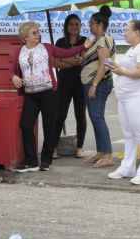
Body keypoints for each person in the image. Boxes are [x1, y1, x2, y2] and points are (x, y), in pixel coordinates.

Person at [11, 21, 89, 172]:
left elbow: (64, 53)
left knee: (50, 126)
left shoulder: (46, 47)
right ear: (25, 36)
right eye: (34, 33)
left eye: (38, 32)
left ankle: (46, 160)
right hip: (30, 94)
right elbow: (13, 70)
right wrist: (14, 77)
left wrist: (83, 46)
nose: (38, 35)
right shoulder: (19, 52)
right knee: (26, 126)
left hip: (48, 93)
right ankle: (31, 161)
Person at [106, 20, 140, 185]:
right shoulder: (132, 49)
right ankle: (128, 168)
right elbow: (127, 69)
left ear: (136, 33)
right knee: (129, 135)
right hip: (125, 98)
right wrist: (116, 66)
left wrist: (122, 71)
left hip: (137, 97)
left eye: (127, 30)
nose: (125, 32)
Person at [81, 10, 115, 167]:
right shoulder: (97, 40)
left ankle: (107, 154)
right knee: (95, 117)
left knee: (97, 117)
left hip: (99, 83)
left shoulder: (104, 40)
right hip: (91, 82)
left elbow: (105, 64)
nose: (90, 26)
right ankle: (101, 151)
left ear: (100, 25)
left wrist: (94, 84)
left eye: (92, 24)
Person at [53, 14, 87, 159]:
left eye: (77, 24)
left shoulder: (85, 41)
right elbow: (55, 62)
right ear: (66, 26)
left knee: (80, 115)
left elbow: (84, 61)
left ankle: (79, 147)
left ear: (80, 26)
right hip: (64, 83)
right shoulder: (60, 42)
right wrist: (73, 61)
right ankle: (53, 147)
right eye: (71, 24)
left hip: (81, 83)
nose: (74, 27)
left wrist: (64, 60)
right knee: (59, 115)